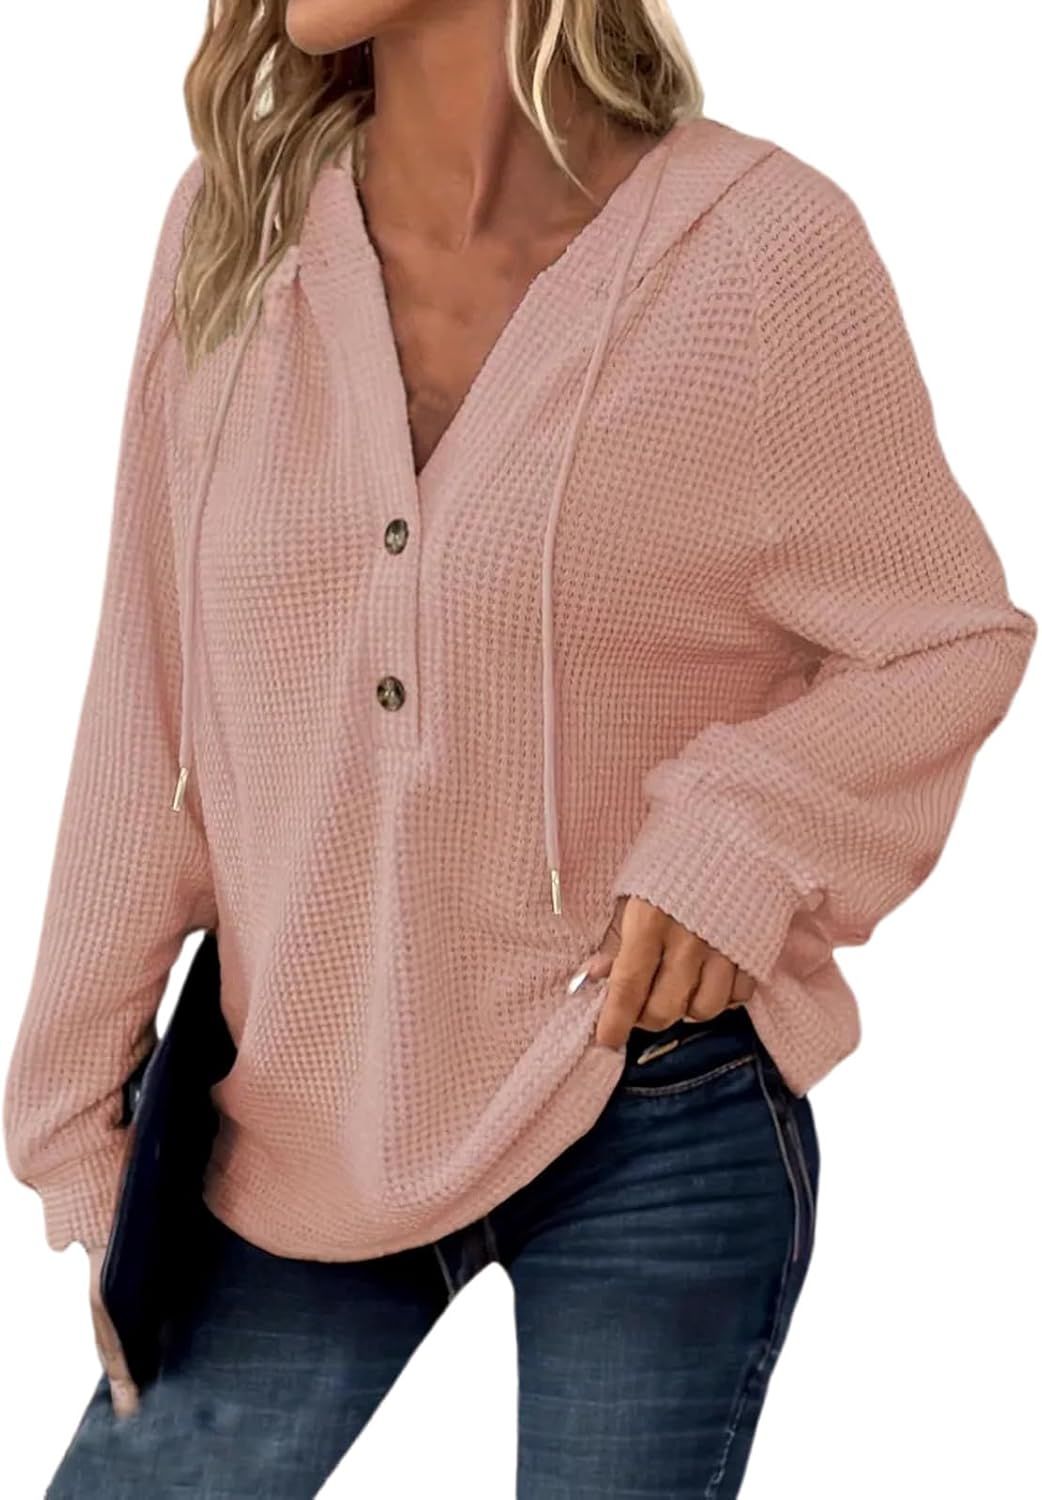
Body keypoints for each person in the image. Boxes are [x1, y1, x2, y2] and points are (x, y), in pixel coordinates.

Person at [3, 2, 1036, 1496]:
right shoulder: (235, 238)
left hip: (649, 1097)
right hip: (299, 1110)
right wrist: (72, 1098)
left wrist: (735, 842)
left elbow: (942, 635)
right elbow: (146, 695)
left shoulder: (756, 252)